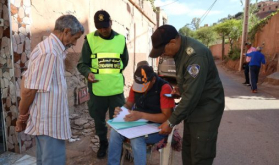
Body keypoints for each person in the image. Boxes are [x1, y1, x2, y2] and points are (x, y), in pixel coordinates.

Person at [149, 25, 225, 165]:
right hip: (193, 107)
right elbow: (190, 84)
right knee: (189, 148)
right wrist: (181, 89)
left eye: (162, 50)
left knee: (201, 152)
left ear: (172, 42)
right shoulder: (180, 51)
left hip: (206, 109)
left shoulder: (195, 55)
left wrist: (171, 122)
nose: (162, 54)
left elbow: (192, 95)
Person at [15, 15, 84, 165]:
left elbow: (26, 78)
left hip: (49, 123)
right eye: (75, 38)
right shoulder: (50, 53)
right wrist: (22, 116)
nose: (74, 43)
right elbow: (28, 90)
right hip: (49, 124)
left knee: (45, 161)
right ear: (66, 31)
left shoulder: (50, 49)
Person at [77, 10, 129, 158]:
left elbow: (124, 62)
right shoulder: (90, 40)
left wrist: (112, 73)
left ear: (110, 23)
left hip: (116, 89)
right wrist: (88, 73)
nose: (103, 30)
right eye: (99, 27)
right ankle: (103, 143)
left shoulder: (120, 39)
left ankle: (117, 145)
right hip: (97, 89)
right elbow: (82, 64)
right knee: (99, 120)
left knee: (118, 119)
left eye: (105, 27)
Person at [107, 65, 175, 165]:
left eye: (144, 86)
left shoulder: (164, 88)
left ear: (153, 80)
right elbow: (129, 104)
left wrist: (142, 115)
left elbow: (167, 117)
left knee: (137, 139)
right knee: (114, 132)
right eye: (139, 86)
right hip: (139, 122)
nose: (141, 90)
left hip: (158, 126)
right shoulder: (136, 85)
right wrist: (122, 110)